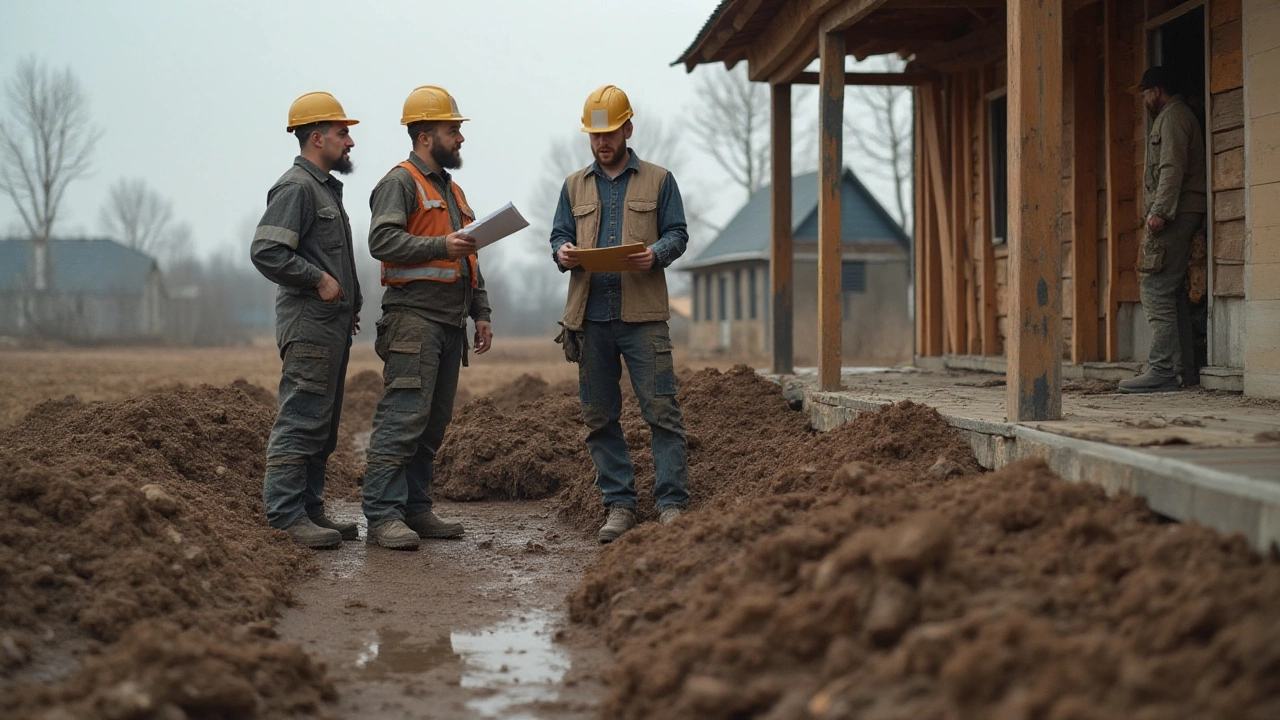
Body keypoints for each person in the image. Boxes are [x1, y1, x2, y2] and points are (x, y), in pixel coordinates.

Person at [550, 85, 690, 544]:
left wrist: (656, 254)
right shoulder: (574, 185)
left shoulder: (660, 179)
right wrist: (563, 252)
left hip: (644, 317)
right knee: (599, 417)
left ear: (628, 128)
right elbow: (557, 237)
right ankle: (620, 505)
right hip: (590, 319)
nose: (601, 142)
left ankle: (671, 505)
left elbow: (678, 233)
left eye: (609, 133)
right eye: (594, 135)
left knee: (662, 412)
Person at [361, 85, 493, 551]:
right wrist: (441, 245)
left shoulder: (451, 189)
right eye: (452, 129)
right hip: (412, 320)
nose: (460, 138)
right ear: (423, 135)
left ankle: (416, 508)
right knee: (403, 418)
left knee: (432, 424)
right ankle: (382, 514)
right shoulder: (399, 183)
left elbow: (468, 260)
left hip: (448, 322)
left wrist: (481, 312)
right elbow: (382, 242)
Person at [250, 91, 362, 549]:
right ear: (317, 138)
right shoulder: (297, 188)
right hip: (309, 327)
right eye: (342, 133)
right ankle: (284, 516)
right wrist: (318, 280)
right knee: (301, 418)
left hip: (329, 326)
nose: (350, 142)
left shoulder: (324, 188)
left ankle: (311, 509)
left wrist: (346, 303)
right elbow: (266, 251)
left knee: (323, 422)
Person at [1119, 66, 1206, 394]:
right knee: (1170, 291)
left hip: (1175, 213)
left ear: (1156, 91)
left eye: (1144, 92)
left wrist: (1160, 212)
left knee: (1155, 288)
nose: (1143, 99)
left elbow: (1172, 168)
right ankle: (1183, 370)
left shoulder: (1172, 118)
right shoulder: (1176, 116)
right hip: (1182, 211)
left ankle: (1164, 370)